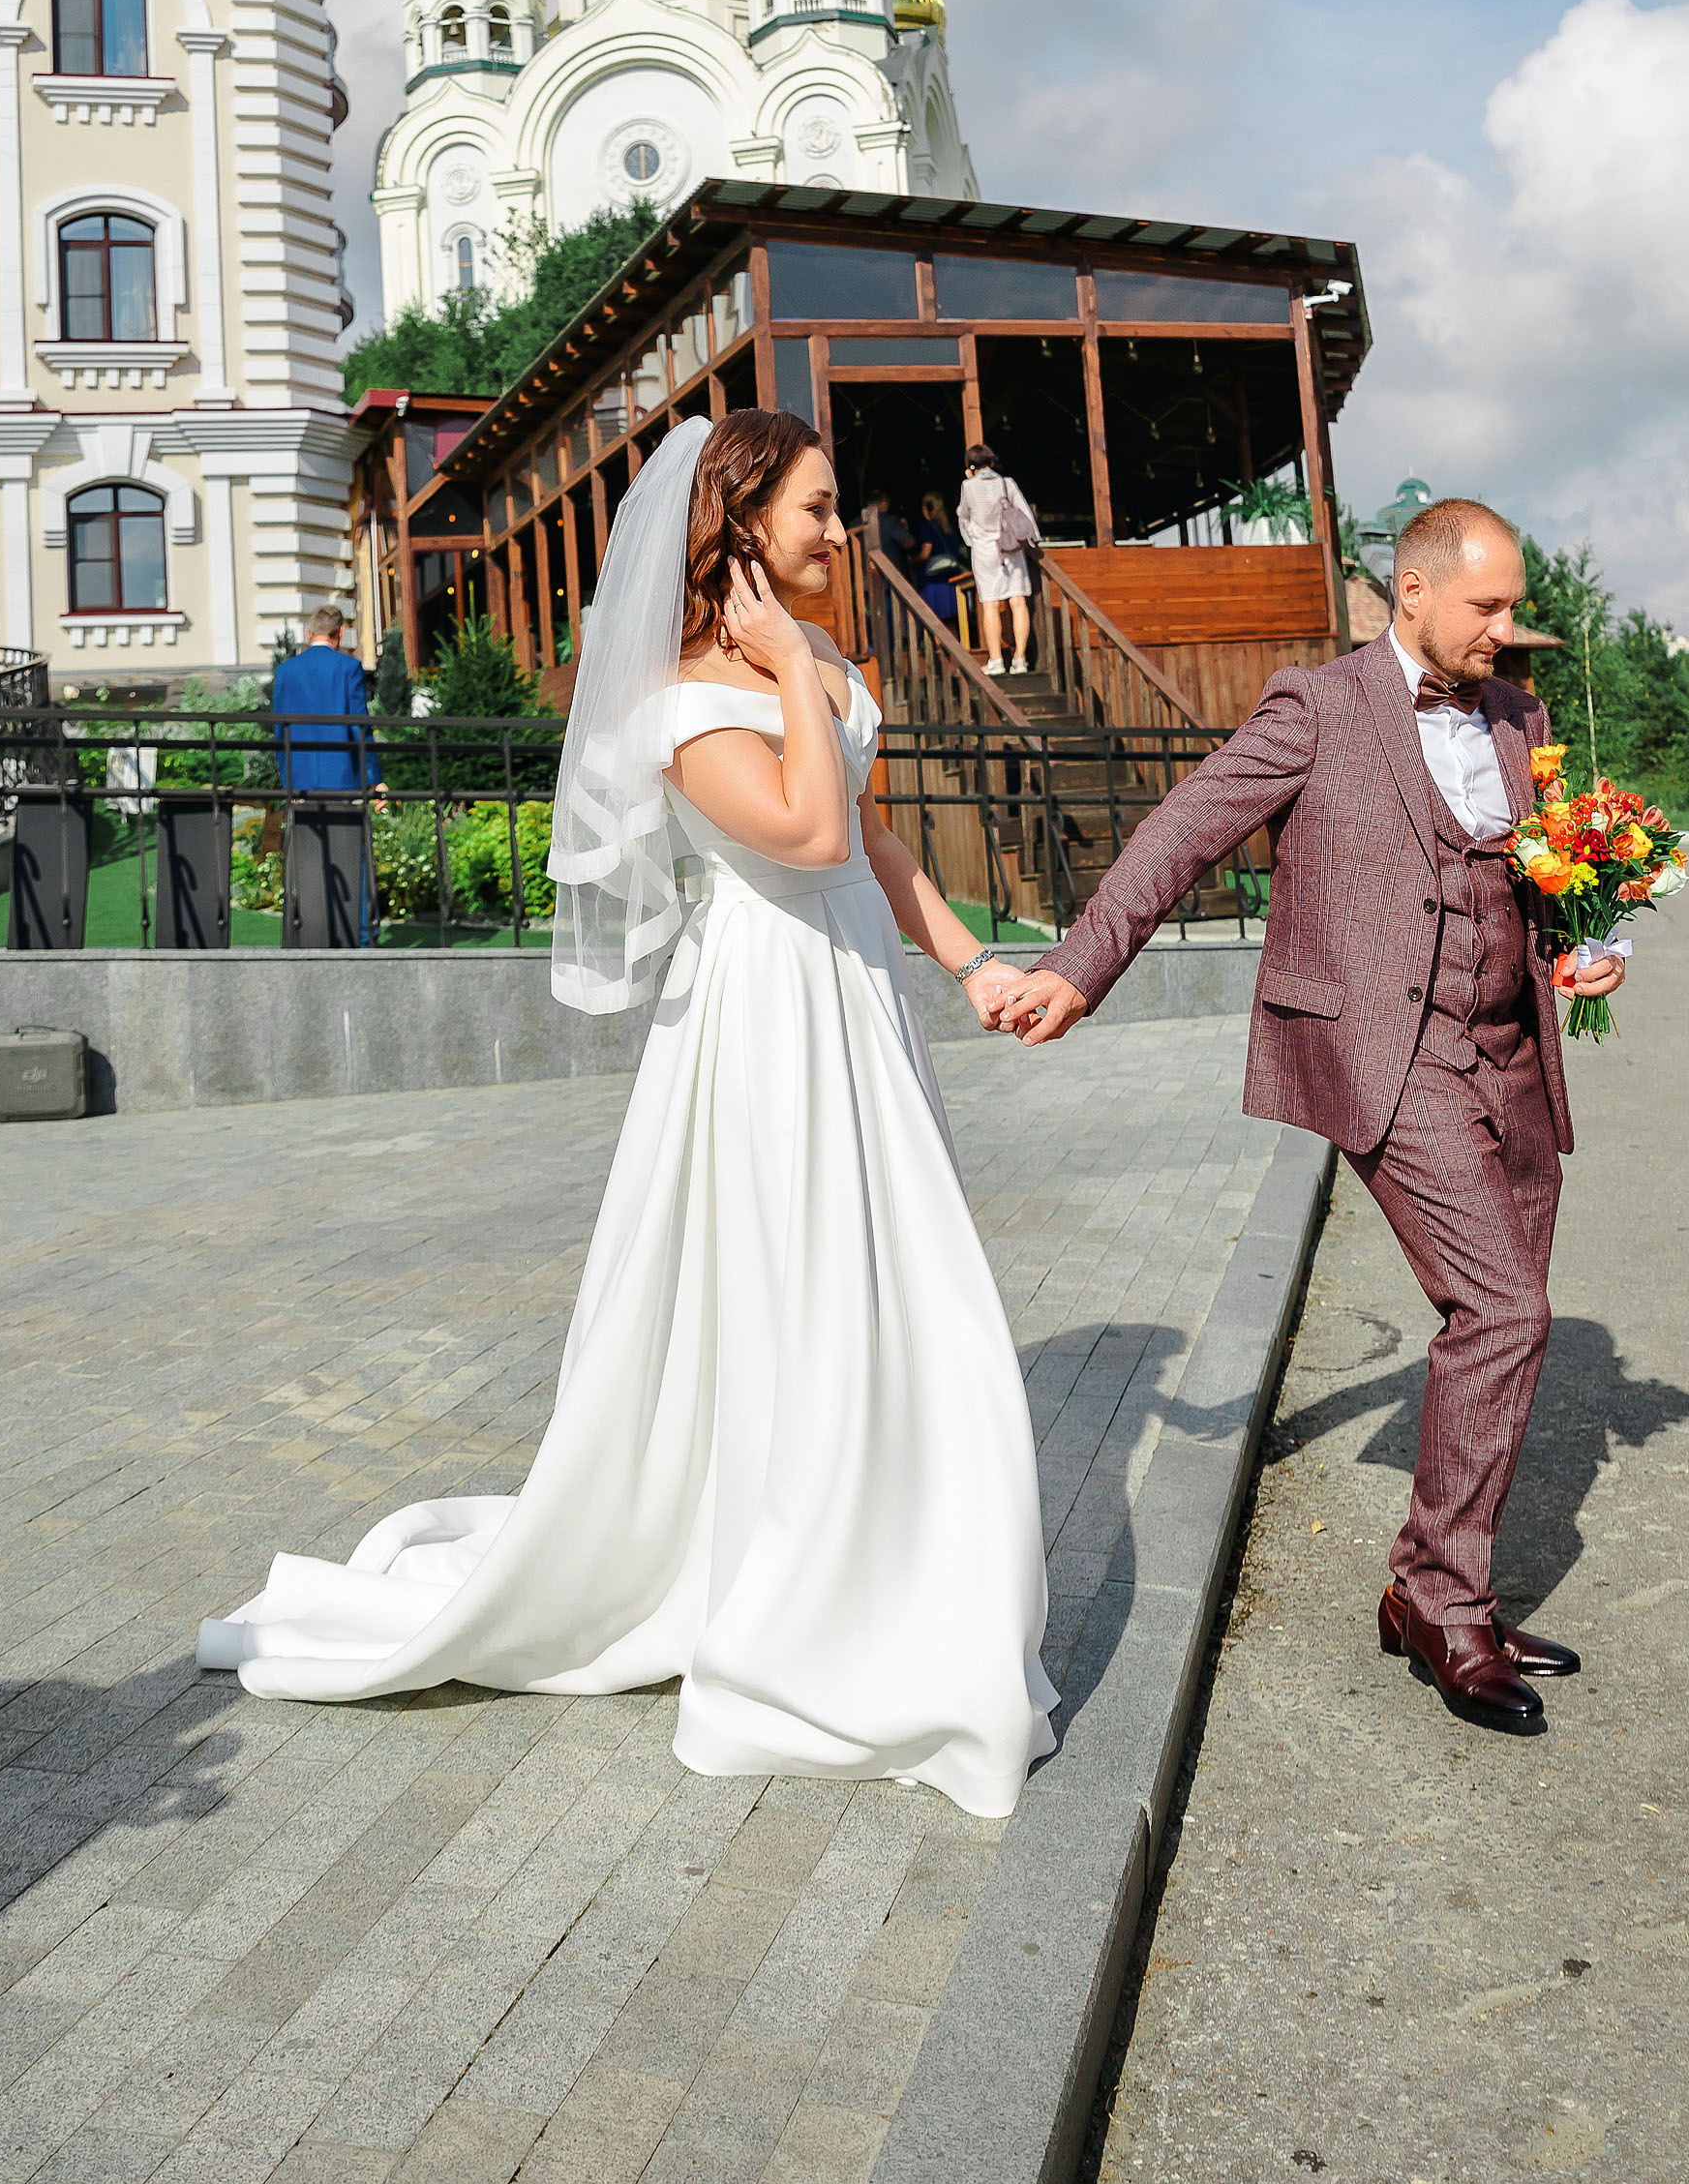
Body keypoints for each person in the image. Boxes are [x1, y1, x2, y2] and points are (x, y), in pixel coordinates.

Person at [198, 412, 1059, 1819]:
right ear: (741, 525)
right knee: (795, 1287)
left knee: (904, 1279)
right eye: (814, 509)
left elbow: (871, 834)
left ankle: (900, 1544)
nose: (838, 532)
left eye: (836, 507)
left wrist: (971, 965)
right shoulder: (679, 700)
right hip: (767, 1014)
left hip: (858, 999)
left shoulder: (823, 658)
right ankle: (789, 1576)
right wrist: (790, 670)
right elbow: (804, 832)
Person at [998, 498, 1635, 1739]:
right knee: (1506, 1311)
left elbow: (1544, 880)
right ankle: (1448, 1609)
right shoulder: (1316, 705)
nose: (1506, 630)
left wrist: (1590, 944)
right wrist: (1080, 966)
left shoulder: (1519, 717)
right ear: (1414, 592)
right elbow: (1183, 831)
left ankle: (1427, 1588)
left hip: (1513, 1053)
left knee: (1498, 1326)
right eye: (1487, 607)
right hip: (1391, 1056)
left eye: (1513, 607)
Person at [269, 605, 378, 791]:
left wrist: (286, 779)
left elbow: (280, 728)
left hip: (299, 777)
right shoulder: (349, 667)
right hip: (342, 776)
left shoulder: (285, 671)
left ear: (308, 633)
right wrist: (373, 777)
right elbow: (360, 724)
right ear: (341, 632)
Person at [956, 442, 1038, 676]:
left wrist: (973, 540)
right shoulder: (1007, 483)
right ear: (991, 462)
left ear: (970, 466)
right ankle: (1020, 659)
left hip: (984, 549)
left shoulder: (968, 486)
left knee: (990, 604)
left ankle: (996, 660)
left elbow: (964, 518)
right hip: (1010, 548)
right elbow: (1025, 514)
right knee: (1018, 601)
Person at [914, 489, 967, 633]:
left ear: (926, 508)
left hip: (933, 583)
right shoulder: (949, 527)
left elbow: (925, 554)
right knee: (951, 623)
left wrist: (913, 560)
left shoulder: (927, 526)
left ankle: (940, 648)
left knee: (935, 624)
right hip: (951, 582)